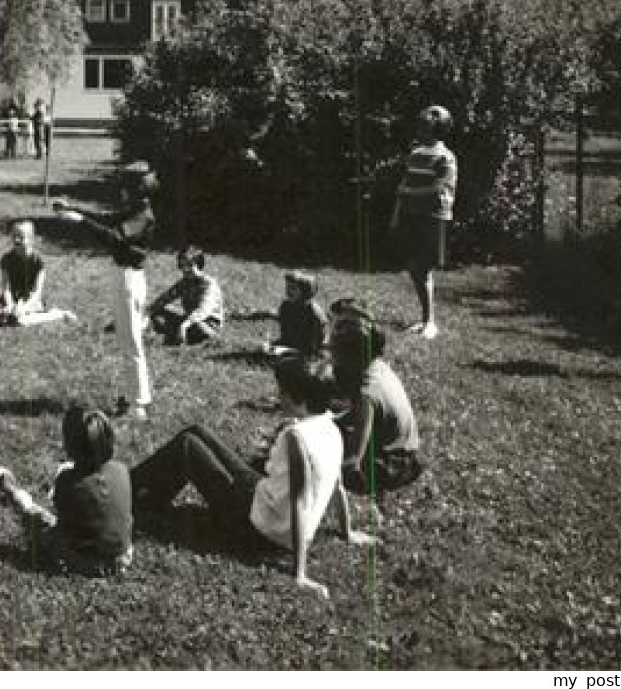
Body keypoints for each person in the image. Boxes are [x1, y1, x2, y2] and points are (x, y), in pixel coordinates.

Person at [129, 356, 378, 599]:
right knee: (196, 432)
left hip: (258, 529)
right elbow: (338, 486)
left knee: (187, 447)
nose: (278, 398)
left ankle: (127, 492)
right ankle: (137, 492)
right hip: (265, 498)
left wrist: (299, 574)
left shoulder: (297, 436)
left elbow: (299, 503)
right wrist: (348, 531)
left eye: (282, 393)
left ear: (299, 400)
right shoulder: (331, 428)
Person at [54, 160, 158, 421]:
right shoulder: (135, 209)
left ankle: (139, 403)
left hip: (130, 279)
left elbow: (114, 238)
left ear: (136, 190)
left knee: (132, 341)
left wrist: (80, 221)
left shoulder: (143, 215)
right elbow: (106, 221)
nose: (120, 192)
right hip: (123, 276)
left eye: (124, 187)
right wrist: (74, 211)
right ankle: (132, 395)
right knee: (126, 339)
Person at [0, 404, 133, 575]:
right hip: (123, 557)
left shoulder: (69, 481)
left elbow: (64, 526)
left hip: (86, 563)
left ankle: (13, 491)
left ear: (70, 446)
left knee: (35, 516)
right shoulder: (121, 469)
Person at [330, 307, 423, 496]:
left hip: (391, 465)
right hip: (405, 455)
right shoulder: (377, 366)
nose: (330, 358)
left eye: (333, 351)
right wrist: (329, 422)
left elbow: (354, 459)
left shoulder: (368, 393)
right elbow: (356, 418)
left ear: (350, 356)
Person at [389, 104, 458, 339]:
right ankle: (424, 319)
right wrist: (396, 215)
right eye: (421, 123)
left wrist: (408, 193)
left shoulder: (446, 157)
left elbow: (437, 189)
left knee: (423, 267)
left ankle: (430, 322)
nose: (422, 127)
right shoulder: (416, 154)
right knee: (413, 266)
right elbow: (403, 188)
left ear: (440, 128)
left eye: (428, 123)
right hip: (410, 215)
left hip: (432, 217)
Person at [0, 221, 78, 327]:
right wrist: (11, 305)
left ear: (31, 239)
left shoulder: (38, 261)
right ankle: (14, 315)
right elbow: (6, 288)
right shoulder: (6, 259)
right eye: (14, 236)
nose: (17, 240)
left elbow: (37, 291)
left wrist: (24, 308)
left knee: (21, 321)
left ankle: (58, 314)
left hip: (30, 299)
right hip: (11, 297)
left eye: (21, 237)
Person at [148, 246, 226, 347]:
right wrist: (148, 311)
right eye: (182, 265)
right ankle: (174, 336)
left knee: (198, 329)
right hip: (188, 320)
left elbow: (203, 310)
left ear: (198, 264)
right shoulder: (184, 282)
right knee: (158, 311)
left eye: (189, 265)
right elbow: (165, 298)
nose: (185, 269)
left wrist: (184, 325)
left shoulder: (208, 284)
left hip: (207, 325)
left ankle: (174, 336)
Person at [267, 272, 328, 356]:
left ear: (305, 291)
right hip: (289, 344)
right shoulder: (285, 306)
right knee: (264, 348)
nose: (288, 291)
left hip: (305, 349)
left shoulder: (313, 312)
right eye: (287, 287)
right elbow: (285, 332)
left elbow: (318, 340)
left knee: (278, 354)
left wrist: (311, 352)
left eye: (292, 288)